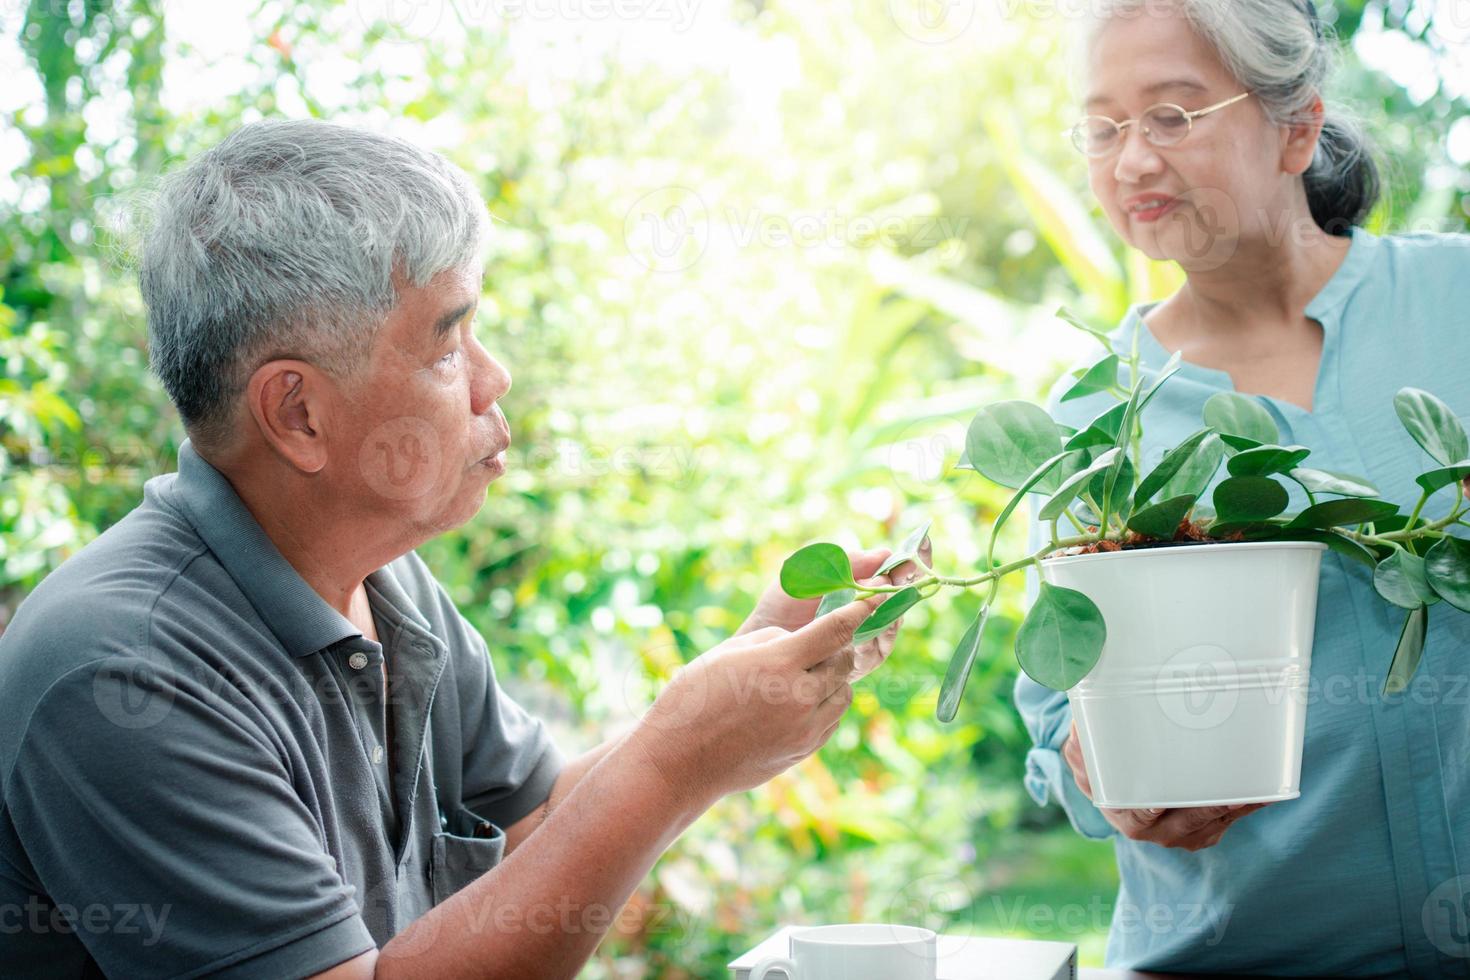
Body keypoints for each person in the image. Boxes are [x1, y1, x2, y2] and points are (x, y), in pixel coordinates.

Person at [0, 119, 929, 979]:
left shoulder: (382, 580)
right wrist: (675, 761)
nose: (495, 377)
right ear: (299, 413)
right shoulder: (122, 671)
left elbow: (538, 832)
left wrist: (743, 675)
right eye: (448, 345)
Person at [1015, 0, 1470, 974]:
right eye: (1103, 128)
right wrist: (1104, 773)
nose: (1132, 161)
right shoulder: (1099, 411)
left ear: (1296, 126)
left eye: (1173, 116)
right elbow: (1056, 709)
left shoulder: (1454, 304)